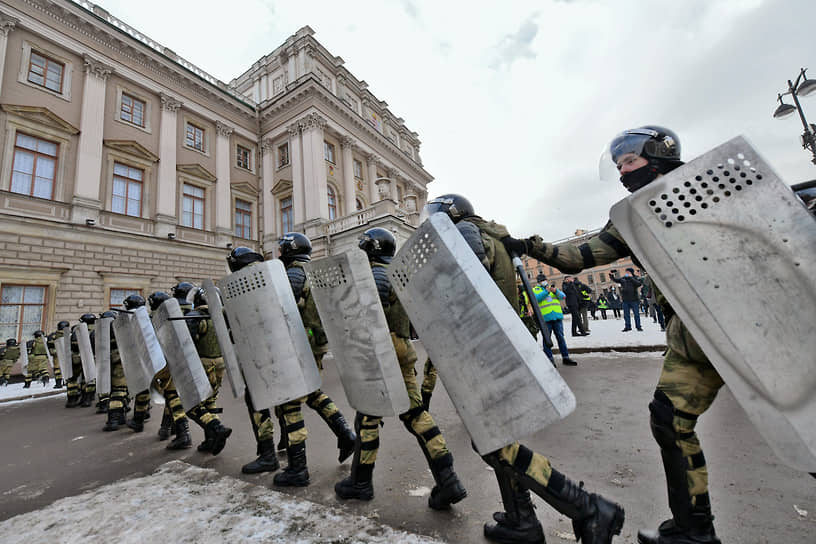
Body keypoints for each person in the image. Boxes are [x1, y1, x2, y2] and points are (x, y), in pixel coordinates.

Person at [502, 126, 725, 543]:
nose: (624, 172)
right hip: (691, 332)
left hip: (735, 319)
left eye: (631, 161)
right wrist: (528, 245)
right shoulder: (629, 217)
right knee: (668, 419)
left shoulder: (708, 186)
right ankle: (695, 528)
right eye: (619, 165)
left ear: (658, 159)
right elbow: (578, 257)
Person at [426, 194, 624, 544]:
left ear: (449, 214)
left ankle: (586, 507)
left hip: (481, 343)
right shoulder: (485, 232)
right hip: (493, 340)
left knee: (492, 442)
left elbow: (457, 287)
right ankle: (521, 520)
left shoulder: (465, 234)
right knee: (495, 437)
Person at [335, 227, 467, 510]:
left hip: (382, 349)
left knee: (368, 418)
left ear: (371, 248)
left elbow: (371, 313)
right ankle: (448, 479)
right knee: (416, 414)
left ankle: (361, 483)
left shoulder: (375, 273)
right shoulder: (399, 272)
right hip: (403, 348)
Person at [183, 289, 232, 455]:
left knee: (193, 405)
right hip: (219, 364)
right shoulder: (220, 316)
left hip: (201, 366)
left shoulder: (195, 316)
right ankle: (210, 440)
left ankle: (217, 429)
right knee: (210, 402)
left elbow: (185, 344)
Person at [533, 280, 578, 366]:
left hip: (557, 317)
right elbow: (536, 299)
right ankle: (550, 359)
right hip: (545, 319)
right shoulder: (535, 289)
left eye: (545, 280)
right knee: (547, 340)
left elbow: (563, 296)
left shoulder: (552, 289)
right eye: (542, 280)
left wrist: (556, 291)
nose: (544, 282)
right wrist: (546, 292)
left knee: (561, 338)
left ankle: (566, 357)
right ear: (538, 282)